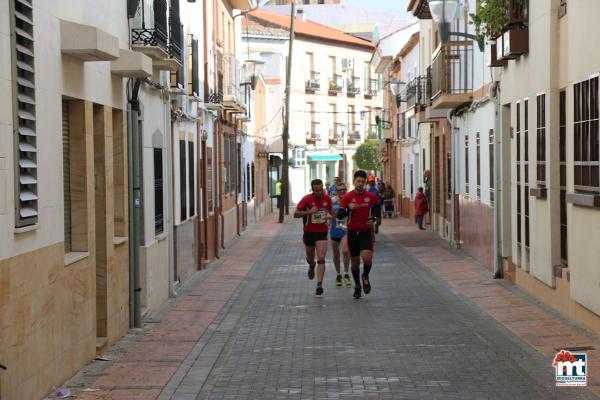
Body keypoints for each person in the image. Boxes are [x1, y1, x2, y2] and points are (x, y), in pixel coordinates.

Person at [338, 170, 381, 299]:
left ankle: (365, 275)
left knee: (367, 258)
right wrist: (347, 209)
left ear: (365, 183)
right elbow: (339, 216)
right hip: (352, 233)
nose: (360, 184)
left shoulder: (371, 196)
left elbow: (377, 211)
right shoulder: (347, 197)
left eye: (363, 182)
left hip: (365, 232)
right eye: (358, 181)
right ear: (354, 182)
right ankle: (357, 285)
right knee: (355, 262)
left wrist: (373, 220)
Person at [294, 179, 334, 295]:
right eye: (317, 191)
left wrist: (329, 217)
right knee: (311, 258)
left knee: (321, 258)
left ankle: (319, 284)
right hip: (309, 232)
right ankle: (311, 265)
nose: (320, 192)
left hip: (322, 232)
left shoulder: (327, 199)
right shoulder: (306, 199)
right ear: (313, 190)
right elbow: (295, 214)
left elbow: (332, 213)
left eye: (321, 190)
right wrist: (309, 212)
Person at [330, 182, 351, 287]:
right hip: (334, 229)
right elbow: (327, 213)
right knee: (336, 254)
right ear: (336, 191)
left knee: (346, 251)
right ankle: (338, 274)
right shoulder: (332, 201)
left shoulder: (349, 200)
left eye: (344, 189)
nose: (342, 191)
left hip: (345, 229)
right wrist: (331, 216)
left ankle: (346, 274)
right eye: (340, 190)